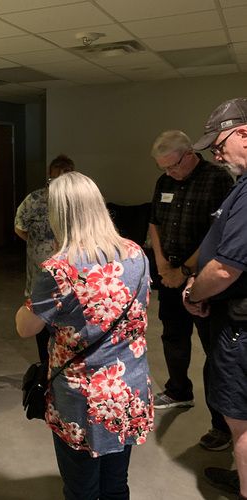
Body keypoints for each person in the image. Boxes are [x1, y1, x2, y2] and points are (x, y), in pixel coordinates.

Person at [16, 171, 153, 500]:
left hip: (82, 397)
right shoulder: (135, 252)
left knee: (82, 488)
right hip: (128, 387)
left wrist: (32, 298)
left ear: (58, 215)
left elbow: (26, 328)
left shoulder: (59, 269)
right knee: (116, 483)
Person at [148, 130, 234, 449]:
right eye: (163, 168)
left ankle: (221, 425)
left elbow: (218, 233)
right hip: (169, 275)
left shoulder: (217, 179)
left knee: (214, 350)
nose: (169, 173)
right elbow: (154, 223)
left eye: (173, 166)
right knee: (173, 335)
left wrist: (185, 271)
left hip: (203, 279)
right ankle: (178, 391)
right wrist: (162, 265)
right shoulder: (165, 181)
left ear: (189, 155)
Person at [185, 97, 247, 500]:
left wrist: (194, 292)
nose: (217, 155)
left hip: (241, 326)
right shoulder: (241, 185)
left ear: (245, 134)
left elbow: (226, 268)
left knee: (241, 423)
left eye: (218, 146)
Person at [15, 154, 75, 362]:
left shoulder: (76, 202)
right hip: (40, 269)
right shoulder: (35, 200)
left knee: (66, 319)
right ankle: (45, 364)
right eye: (54, 180)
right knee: (40, 316)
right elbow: (20, 227)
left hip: (69, 270)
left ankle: (63, 362)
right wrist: (38, 245)